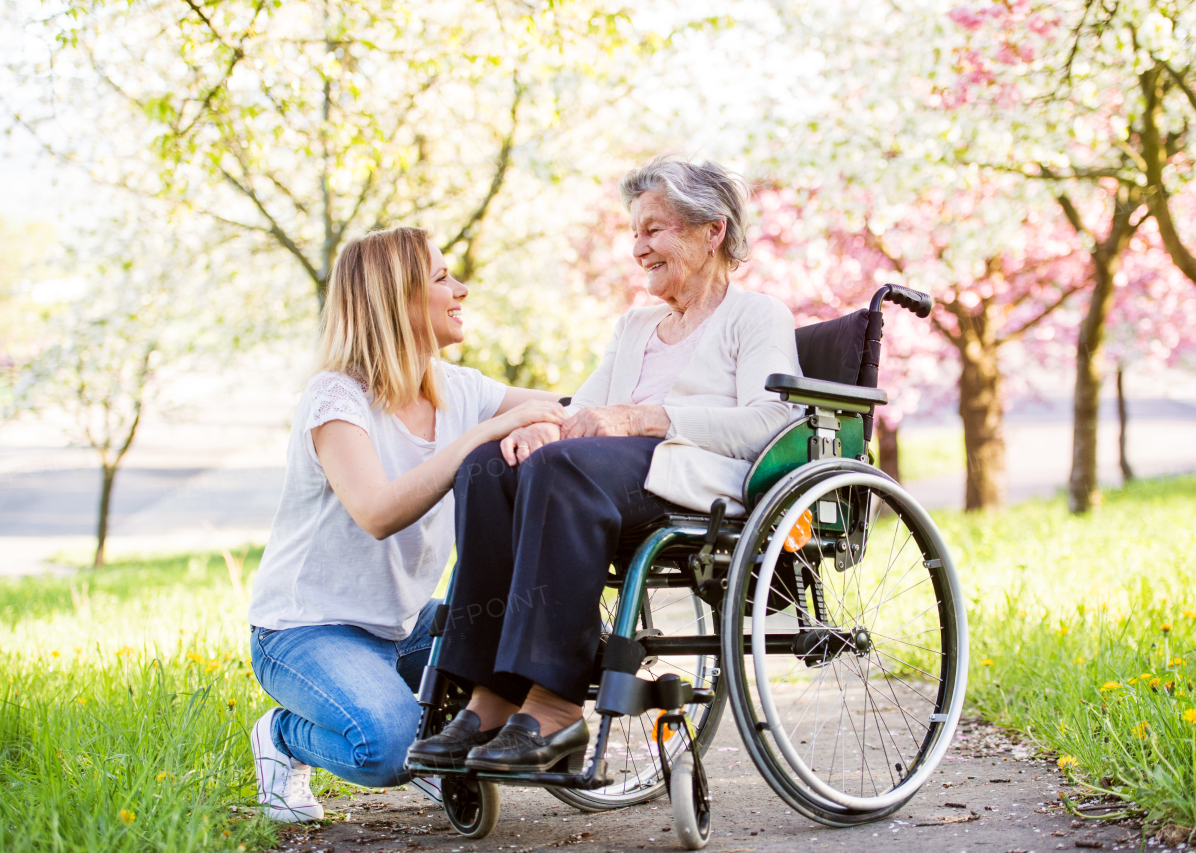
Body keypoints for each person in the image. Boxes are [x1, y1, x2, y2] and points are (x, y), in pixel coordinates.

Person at [407, 157, 800, 775]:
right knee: (489, 466)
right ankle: (492, 693)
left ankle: (556, 705)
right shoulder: (636, 325)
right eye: (634, 233)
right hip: (612, 471)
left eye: (654, 230)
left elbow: (770, 423)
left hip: (692, 475)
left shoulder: (756, 316)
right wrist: (543, 423)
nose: (638, 247)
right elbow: (584, 409)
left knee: (562, 470)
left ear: (712, 230)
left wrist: (644, 418)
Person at [247, 226, 565, 821]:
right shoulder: (336, 399)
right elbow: (377, 512)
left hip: (405, 626)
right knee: (388, 749)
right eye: (443, 279)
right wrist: (482, 435)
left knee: (520, 675)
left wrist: (535, 422)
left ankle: (426, 738)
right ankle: (282, 736)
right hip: (306, 631)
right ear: (396, 301)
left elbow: (562, 405)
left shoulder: (461, 388)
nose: (462, 289)